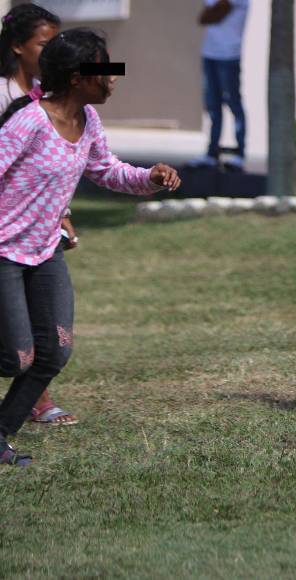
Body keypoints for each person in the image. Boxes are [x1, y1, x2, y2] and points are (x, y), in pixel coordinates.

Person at [0, 28, 181, 466]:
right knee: (16, 356)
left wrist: (148, 179)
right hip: (3, 252)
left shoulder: (88, 122)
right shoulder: (28, 121)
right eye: (103, 70)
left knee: (53, 352)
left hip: (45, 253)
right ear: (78, 77)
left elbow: (105, 170)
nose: (112, 79)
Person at [0, 2, 80, 426]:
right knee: (17, 343)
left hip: (39, 235)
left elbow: (49, 167)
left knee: (45, 327)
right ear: (17, 47)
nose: (52, 53)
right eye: (44, 45)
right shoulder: (5, 97)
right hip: (5, 236)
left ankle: (38, 399)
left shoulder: (48, 97)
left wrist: (60, 211)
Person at [189, 0, 249, 171]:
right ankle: (212, 153)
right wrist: (211, 12)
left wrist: (211, 11)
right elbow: (204, 17)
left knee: (233, 103)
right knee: (213, 106)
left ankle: (239, 153)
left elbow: (213, 13)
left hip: (229, 56)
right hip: (209, 54)